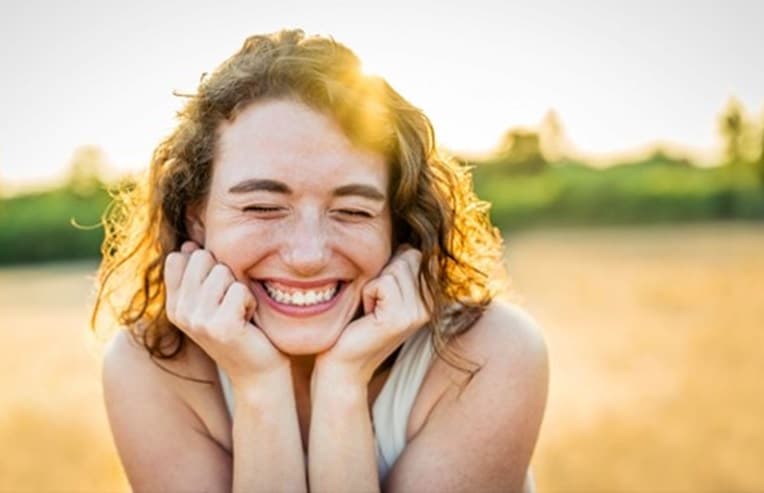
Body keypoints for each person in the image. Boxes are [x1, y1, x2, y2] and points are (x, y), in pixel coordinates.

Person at [92, 29, 548, 492]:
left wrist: (343, 383)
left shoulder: (486, 355)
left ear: (399, 223)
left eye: (352, 211)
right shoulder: (151, 368)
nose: (308, 256)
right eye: (262, 207)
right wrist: (259, 386)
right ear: (196, 219)